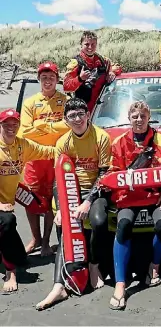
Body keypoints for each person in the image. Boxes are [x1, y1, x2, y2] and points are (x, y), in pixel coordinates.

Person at [36, 98, 111, 310]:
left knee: (98, 221)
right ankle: (58, 285)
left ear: (88, 114)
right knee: (64, 229)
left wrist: (88, 202)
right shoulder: (62, 142)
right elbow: (57, 180)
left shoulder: (101, 137)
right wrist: (61, 207)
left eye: (80, 114)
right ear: (66, 120)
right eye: (72, 116)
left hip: (97, 190)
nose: (77, 119)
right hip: (71, 190)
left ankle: (94, 265)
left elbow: (104, 173)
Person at [108, 101, 161, 311]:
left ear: (149, 118)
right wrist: (123, 193)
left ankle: (153, 267)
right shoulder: (119, 143)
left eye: (143, 117)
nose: (139, 120)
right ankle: (120, 284)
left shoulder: (160, 141)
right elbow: (113, 175)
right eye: (135, 116)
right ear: (129, 118)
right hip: (128, 199)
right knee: (123, 226)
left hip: (155, 198)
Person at [0, 109, 55, 293]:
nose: (11, 128)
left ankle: (10, 257)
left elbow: (46, 151)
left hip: (7, 203)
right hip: (1, 207)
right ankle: (10, 273)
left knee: (22, 258)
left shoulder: (22, 145)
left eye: (14, 124)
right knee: (7, 222)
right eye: (6, 124)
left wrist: (67, 152)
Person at [18, 61, 70, 256]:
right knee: (30, 200)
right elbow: (25, 132)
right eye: (44, 77)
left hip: (57, 158)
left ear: (57, 80)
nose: (48, 81)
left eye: (52, 77)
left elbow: (69, 125)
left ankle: (47, 241)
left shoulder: (65, 101)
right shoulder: (30, 103)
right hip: (34, 159)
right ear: (39, 79)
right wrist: (54, 126)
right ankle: (35, 238)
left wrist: (41, 125)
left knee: (50, 201)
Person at [63, 30, 122, 112]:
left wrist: (112, 72)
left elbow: (117, 67)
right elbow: (66, 87)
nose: (90, 47)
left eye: (93, 44)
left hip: (102, 107)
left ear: (96, 45)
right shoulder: (75, 63)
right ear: (81, 45)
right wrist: (80, 79)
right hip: (83, 109)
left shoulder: (102, 60)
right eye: (87, 44)